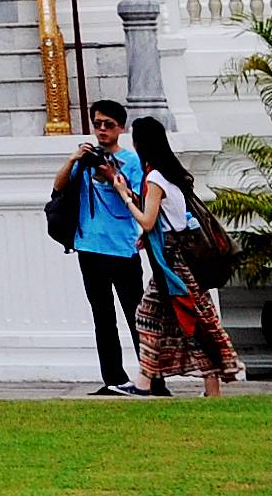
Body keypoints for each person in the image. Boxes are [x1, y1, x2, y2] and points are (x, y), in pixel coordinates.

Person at [120, 116, 241, 400]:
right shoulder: (171, 175)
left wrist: (125, 196)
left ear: (139, 144)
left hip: (173, 265)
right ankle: (149, 381)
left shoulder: (153, 178)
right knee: (192, 319)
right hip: (181, 260)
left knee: (171, 318)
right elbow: (172, 220)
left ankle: (145, 382)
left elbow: (148, 221)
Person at [59, 99, 147, 394]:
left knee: (137, 314)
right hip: (89, 246)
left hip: (122, 247)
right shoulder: (85, 161)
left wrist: (112, 177)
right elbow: (58, 187)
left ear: (121, 128)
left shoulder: (132, 161)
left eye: (108, 125)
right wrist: (74, 160)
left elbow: (139, 200)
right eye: (97, 124)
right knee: (103, 318)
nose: (102, 130)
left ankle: (150, 378)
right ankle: (113, 378)